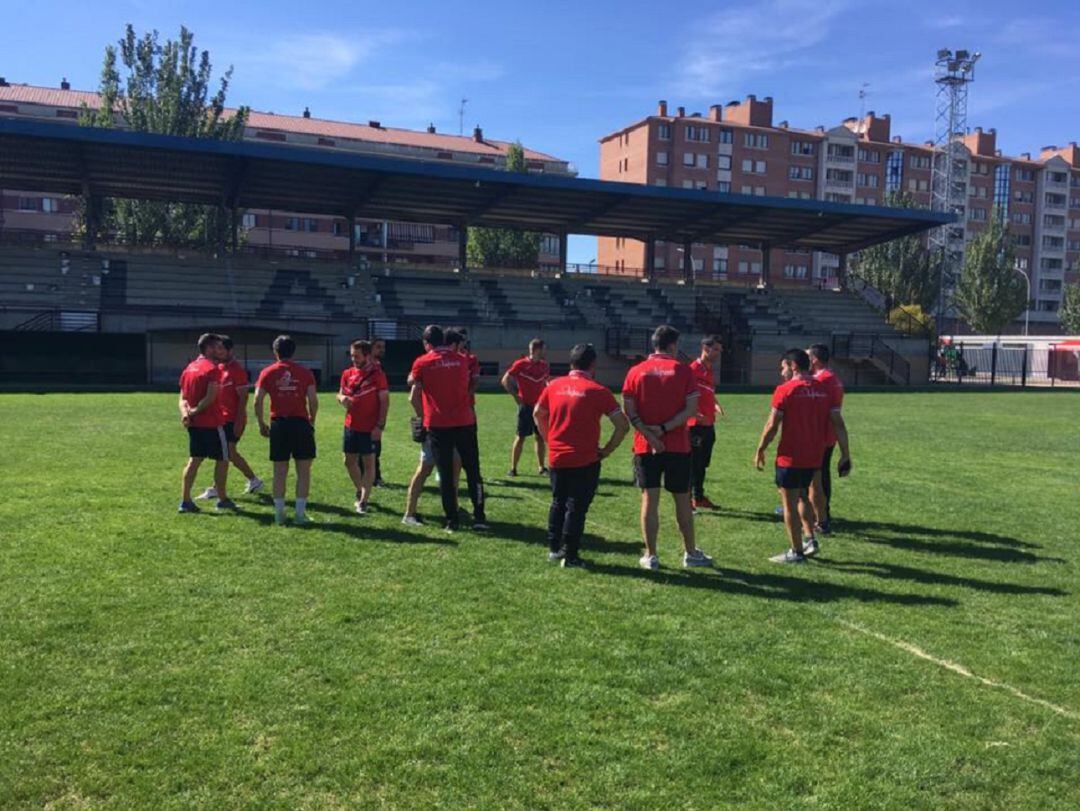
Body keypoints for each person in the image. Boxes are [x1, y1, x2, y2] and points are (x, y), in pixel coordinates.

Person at [622, 325, 713, 570]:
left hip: (645, 446)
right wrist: (663, 429)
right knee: (682, 500)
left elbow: (628, 411)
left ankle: (651, 556)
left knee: (649, 501)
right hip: (677, 445)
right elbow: (691, 410)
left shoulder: (636, 371)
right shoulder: (683, 372)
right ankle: (690, 553)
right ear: (673, 345)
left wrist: (650, 435)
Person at [534, 343, 629, 568]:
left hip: (558, 456)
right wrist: (606, 450)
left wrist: (549, 439)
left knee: (558, 502)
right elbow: (622, 425)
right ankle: (571, 554)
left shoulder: (553, 386)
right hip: (585, 459)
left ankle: (554, 548)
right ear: (593, 364)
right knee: (576, 507)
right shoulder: (598, 390)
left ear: (571, 363)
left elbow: (538, 413)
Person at [754, 349, 850, 563]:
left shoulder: (785, 390)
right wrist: (845, 453)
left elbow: (772, 425)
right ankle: (810, 538)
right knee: (803, 496)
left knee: (789, 503)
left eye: (783, 367)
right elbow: (838, 423)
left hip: (790, 456)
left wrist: (761, 448)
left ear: (793, 366)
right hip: (814, 456)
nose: (782, 373)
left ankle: (796, 552)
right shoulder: (824, 390)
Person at [408, 324, 487, 532]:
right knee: (473, 471)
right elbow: (470, 383)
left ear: (426, 343)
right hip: (465, 421)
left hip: (438, 423)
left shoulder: (422, 362)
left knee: (445, 474)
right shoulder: (462, 360)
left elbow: (413, 384)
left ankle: (452, 521)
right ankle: (479, 516)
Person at [254, 335, 319, 526]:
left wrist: (261, 423)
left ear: (275, 352)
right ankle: (300, 514)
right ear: (293, 351)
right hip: (300, 424)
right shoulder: (305, 372)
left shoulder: (267, 372)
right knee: (303, 471)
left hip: (279, 425)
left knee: (279, 471)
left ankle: (279, 514)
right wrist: (311, 420)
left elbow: (257, 400)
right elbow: (313, 401)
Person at [195, 335, 263, 500]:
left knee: (226, 453)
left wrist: (239, 422)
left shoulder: (237, 370)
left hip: (232, 420)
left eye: (221, 348)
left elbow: (243, 398)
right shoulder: (218, 367)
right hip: (221, 419)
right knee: (227, 453)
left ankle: (217, 488)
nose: (217, 351)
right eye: (216, 348)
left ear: (229, 350)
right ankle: (253, 480)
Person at [178, 333, 233, 513]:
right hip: (212, 423)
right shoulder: (213, 369)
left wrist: (186, 413)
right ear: (209, 348)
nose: (220, 351)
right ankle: (223, 499)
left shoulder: (189, 368)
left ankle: (185, 501)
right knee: (223, 459)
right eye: (217, 347)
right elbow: (210, 397)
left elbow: (182, 397)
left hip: (194, 425)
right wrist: (193, 411)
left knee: (194, 460)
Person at [338, 339, 389, 515]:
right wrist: (341, 399)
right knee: (348, 461)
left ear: (367, 355)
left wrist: (379, 426)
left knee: (369, 464)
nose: (353, 359)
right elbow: (341, 393)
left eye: (357, 356)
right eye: (352, 355)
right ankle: (360, 489)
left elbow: (384, 401)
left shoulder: (377, 374)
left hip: (369, 428)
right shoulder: (347, 373)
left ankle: (363, 500)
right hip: (350, 425)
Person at [808, 343, 847, 533]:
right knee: (822, 475)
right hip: (828, 435)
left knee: (817, 477)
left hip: (819, 436)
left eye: (808, 356)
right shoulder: (833, 378)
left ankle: (821, 516)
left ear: (814, 359)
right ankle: (822, 513)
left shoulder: (821, 380)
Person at [502, 338, 550, 477]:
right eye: (544, 349)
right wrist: (516, 396)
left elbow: (546, 382)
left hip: (540, 407)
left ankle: (541, 468)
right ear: (536, 350)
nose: (545, 352)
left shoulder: (544, 365)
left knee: (540, 437)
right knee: (521, 436)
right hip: (526, 406)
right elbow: (505, 380)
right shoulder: (520, 364)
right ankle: (513, 468)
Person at [688, 335, 726, 511]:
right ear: (706, 348)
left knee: (702, 464)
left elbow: (709, 392)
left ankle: (699, 497)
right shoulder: (692, 369)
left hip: (708, 424)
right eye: (717, 349)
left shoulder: (709, 371)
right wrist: (695, 413)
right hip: (694, 425)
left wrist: (716, 405)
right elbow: (682, 396)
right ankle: (687, 501)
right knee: (692, 464)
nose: (720, 352)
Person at [370, 337, 388, 486]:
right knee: (370, 446)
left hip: (376, 412)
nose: (382, 350)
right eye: (379, 347)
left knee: (375, 446)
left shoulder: (378, 366)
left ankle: (374, 476)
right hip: (367, 413)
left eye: (383, 347)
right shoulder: (369, 366)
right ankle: (374, 477)